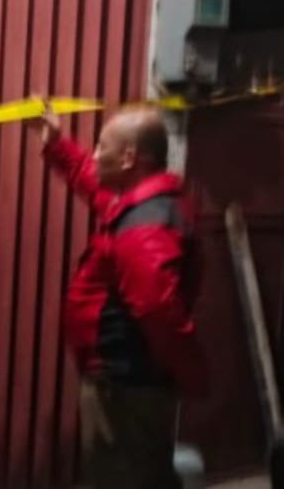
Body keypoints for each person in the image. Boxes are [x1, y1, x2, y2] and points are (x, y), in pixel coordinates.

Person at [26, 103, 207, 488]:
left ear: (128, 158)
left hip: (126, 388)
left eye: (100, 146)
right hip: (127, 381)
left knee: (122, 478)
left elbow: (158, 309)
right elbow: (93, 183)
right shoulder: (140, 202)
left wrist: (189, 374)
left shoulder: (146, 224)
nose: (94, 155)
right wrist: (57, 143)